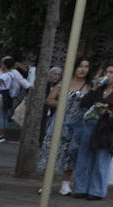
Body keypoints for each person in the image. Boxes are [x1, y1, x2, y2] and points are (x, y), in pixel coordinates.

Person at [71, 64, 113, 201]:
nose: (108, 75)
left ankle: (96, 191)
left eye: (111, 72)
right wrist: (94, 88)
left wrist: (109, 110)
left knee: (101, 159)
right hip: (91, 124)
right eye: (106, 72)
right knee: (84, 157)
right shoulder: (98, 89)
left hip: (106, 127)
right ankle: (81, 188)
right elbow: (84, 103)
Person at [39, 59, 91, 196]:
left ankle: (66, 184)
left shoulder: (89, 86)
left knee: (71, 152)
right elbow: (49, 99)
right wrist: (61, 104)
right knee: (51, 151)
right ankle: (46, 184)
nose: (83, 69)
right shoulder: (63, 84)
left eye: (86, 67)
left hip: (78, 124)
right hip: (59, 122)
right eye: (80, 66)